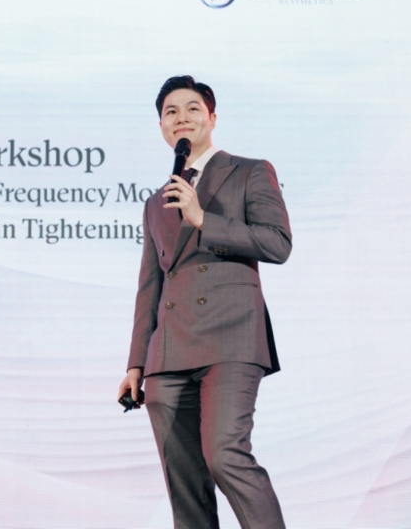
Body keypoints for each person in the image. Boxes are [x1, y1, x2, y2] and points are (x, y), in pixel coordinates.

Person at [117, 76, 291, 529]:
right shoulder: (155, 202)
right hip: (168, 354)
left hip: (230, 339)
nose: (182, 118)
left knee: (224, 454)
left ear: (211, 118)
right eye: (171, 112)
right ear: (161, 126)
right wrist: (136, 363)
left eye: (192, 109)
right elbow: (149, 285)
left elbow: (277, 244)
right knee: (184, 483)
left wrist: (202, 219)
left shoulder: (250, 171)